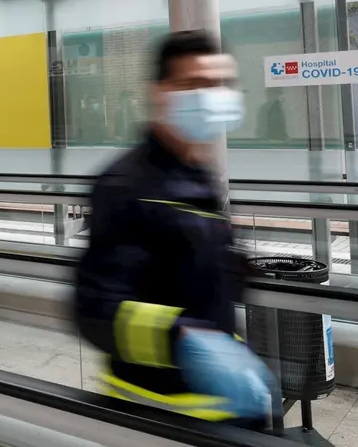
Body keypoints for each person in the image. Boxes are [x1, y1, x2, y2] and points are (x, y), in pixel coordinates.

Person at [74, 31, 280, 429]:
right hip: (161, 413)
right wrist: (184, 342)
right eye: (194, 84)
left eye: (219, 84)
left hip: (223, 409)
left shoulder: (199, 176)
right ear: (160, 93)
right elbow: (94, 309)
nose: (211, 96)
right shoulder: (126, 185)